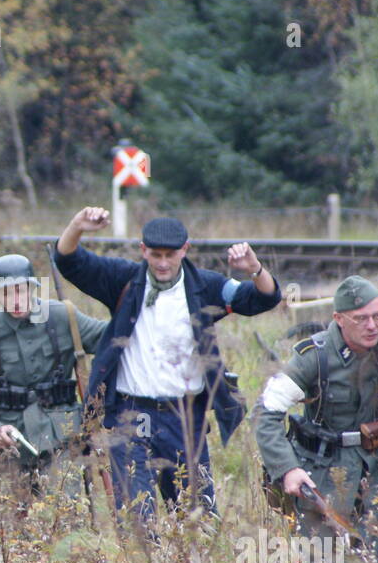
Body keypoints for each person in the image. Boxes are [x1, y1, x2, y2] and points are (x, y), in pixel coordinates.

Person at [52, 207, 282, 527]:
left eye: (170, 255)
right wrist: (77, 225)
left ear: (185, 250)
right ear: (143, 251)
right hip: (131, 414)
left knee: (196, 518)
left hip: (184, 416)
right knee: (136, 519)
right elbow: (68, 261)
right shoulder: (122, 280)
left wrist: (255, 269)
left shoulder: (205, 286)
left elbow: (262, 299)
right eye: (155, 254)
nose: (162, 263)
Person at [253, 275, 378, 563]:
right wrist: (288, 469)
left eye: (377, 317)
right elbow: (265, 412)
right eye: (361, 319)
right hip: (323, 472)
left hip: (376, 469)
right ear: (339, 319)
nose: (372, 326)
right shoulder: (313, 356)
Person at [0, 254, 108, 502]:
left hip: (61, 435)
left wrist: (130, 304)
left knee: (65, 510)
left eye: (20, 291)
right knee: (12, 523)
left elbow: (111, 337)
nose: (16, 300)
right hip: (12, 441)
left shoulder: (63, 317)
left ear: (32, 288)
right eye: (6, 293)